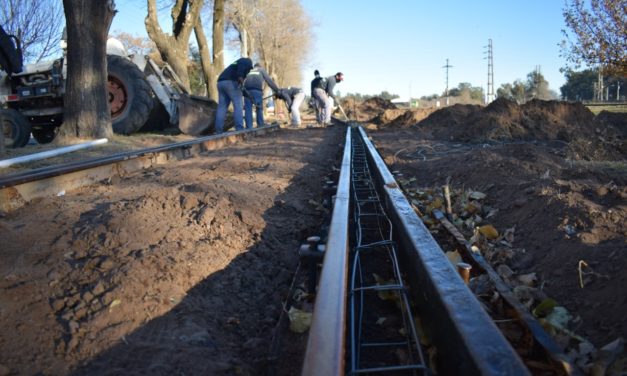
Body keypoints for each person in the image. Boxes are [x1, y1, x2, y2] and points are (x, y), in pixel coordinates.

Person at [215, 57, 253, 133]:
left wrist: (247, 95)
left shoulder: (235, 65)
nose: (249, 71)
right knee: (238, 106)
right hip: (231, 82)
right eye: (250, 69)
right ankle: (239, 130)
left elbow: (241, 87)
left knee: (222, 107)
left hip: (220, 83)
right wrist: (240, 76)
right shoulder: (245, 61)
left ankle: (218, 130)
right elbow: (241, 71)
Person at [243, 63, 279, 129]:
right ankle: (260, 125)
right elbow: (269, 80)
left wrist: (243, 91)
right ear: (260, 66)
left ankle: (249, 127)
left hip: (246, 91)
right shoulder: (261, 70)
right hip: (256, 90)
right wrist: (277, 90)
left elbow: (242, 80)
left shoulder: (249, 71)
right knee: (259, 108)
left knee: (248, 109)